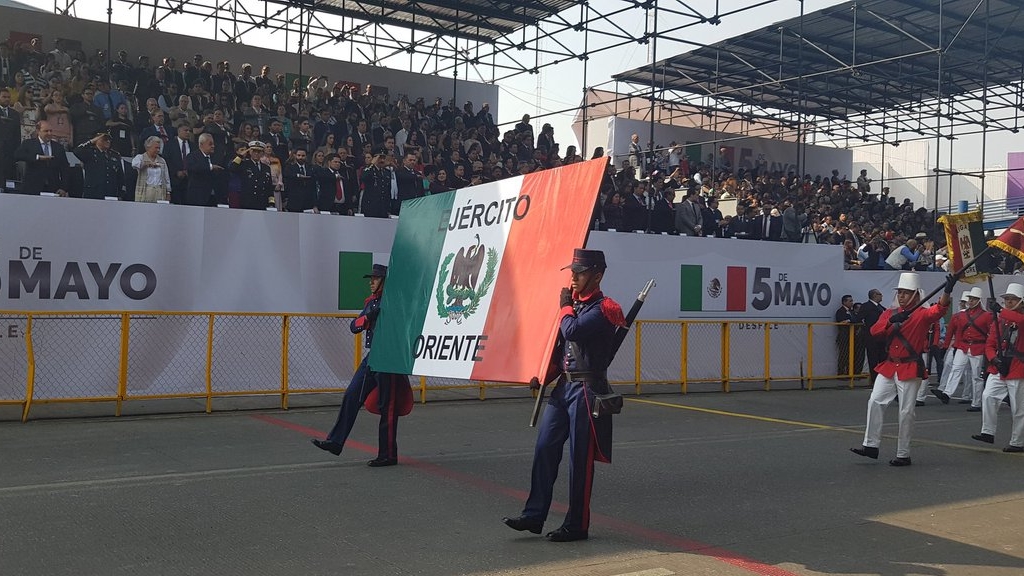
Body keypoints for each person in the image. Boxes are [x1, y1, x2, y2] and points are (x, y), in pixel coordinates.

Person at [503, 248, 625, 542]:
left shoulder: (603, 309)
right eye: (572, 271)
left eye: (579, 272)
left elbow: (572, 332)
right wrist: (545, 376)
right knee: (545, 448)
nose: (573, 277)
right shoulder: (577, 307)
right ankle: (534, 515)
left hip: (586, 389)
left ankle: (577, 525)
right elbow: (563, 353)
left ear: (596, 276)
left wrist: (565, 306)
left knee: (579, 460)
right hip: (564, 388)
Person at [312, 264, 412, 466]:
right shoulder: (371, 303)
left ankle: (388, 454)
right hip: (373, 357)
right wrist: (368, 317)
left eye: (375, 278)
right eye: (371, 278)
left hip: (390, 358)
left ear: (385, 281)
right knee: (352, 395)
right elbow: (354, 327)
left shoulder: (395, 301)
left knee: (388, 407)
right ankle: (335, 441)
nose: (371, 282)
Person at [851, 271, 954, 466]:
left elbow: (939, 310)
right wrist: (891, 322)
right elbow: (874, 332)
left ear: (916, 295)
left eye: (906, 293)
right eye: (900, 292)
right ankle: (870, 445)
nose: (901, 296)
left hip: (909, 366)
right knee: (875, 401)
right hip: (890, 365)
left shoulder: (922, 314)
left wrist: (948, 290)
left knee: (906, 411)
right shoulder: (889, 313)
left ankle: (903, 453)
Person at [972, 283, 1024, 453]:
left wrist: (1000, 310)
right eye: (1006, 299)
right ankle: (987, 432)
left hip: (1018, 367)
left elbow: (1020, 320)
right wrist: (993, 359)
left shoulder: (1013, 317)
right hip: (1000, 366)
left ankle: (1017, 441)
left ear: (1021, 302)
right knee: (988, 396)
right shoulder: (999, 320)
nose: (1008, 302)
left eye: (1012, 299)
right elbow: (990, 344)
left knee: (1018, 407)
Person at [934, 286, 990, 411]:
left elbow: (990, 333)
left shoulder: (987, 316)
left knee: (976, 376)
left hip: (978, 347)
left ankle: (976, 403)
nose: (970, 301)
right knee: (956, 369)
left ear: (979, 300)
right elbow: (956, 331)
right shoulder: (962, 315)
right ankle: (947, 393)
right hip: (963, 346)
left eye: (973, 299)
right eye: (970, 298)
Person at [13, 120, 69, 195]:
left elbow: (65, 169)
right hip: (32, 188)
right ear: (38, 131)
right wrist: (37, 157)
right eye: (46, 131)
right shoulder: (29, 143)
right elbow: (17, 155)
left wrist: (63, 188)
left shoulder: (58, 147)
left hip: (53, 188)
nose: (49, 133)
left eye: (51, 131)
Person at [74, 132, 125, 200]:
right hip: (93, 193)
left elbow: (120, 176)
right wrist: (92, 141)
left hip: (110, 194)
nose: (108, 141)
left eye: (109, 139)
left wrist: (121, 194)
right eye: (105, 139)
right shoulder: (90, 153)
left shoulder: (114, 155)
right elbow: (76, 151)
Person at [229, 141, 273, 210]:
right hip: (247, 202)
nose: (256, 153)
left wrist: (271, 203)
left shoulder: (266, 168)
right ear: (250, 152)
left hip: (261, 202)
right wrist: (240, 156)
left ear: (262, 153)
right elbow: (232, 168)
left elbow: (269, 187)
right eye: (254, 151)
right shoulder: (244, 164)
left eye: (259, 152)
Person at [856, 289, 887, 384]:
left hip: (882, 337)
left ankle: (883, 379)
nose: (882, 296)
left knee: (883, 358)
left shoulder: (881, 307)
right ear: (874, 295)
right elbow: (858, 318)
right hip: (871, 337)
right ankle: (874, 380)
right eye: (880, 294)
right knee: (873, 359)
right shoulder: (866, 306)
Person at [185, 133, 222, 206]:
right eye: (210, 144)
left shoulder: (215, 157)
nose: (213, 146)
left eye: (213, 144)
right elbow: (194, 168)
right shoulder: (192, 156)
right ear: (201, 144)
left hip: (213, 197)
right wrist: (210, 167)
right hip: (197, 196)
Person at [131, 136, 172, 202]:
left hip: (159, 191)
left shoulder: (162, 161)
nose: (158, 150)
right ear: (148, 147)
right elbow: (134, 164)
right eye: (156, 148)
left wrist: (168, 192)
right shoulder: (140, 157)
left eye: (159, 148)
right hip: (145, 190)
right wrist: (146, 164)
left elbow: (166, 178)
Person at [835, 295, 856, 376]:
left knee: (851, 355)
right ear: (844, 302)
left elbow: (855, 319)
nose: (852, 303)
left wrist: (849, 320)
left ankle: (849, 372)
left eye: (852, 301)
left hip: (852, 336)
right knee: (843, 355)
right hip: (844, 336)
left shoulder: (852, 311)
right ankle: (841, 373)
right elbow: (840, 321)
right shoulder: (840, 311)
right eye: (850, 301)